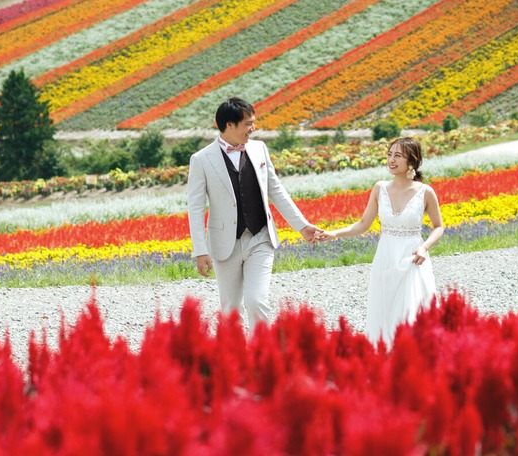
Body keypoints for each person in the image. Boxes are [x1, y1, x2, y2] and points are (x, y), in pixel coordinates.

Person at [187, 97, 321, 327]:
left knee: (256, 300)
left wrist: (302, 226)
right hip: (223, 243)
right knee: (230, 310)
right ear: (229, 125)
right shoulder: (201, 159)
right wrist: (200, 250)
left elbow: (276, 190)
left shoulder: (259, 149)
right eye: (248, 123)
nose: (253, 128)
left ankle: (262, 356)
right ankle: (237, 359)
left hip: (260, 238)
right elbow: (196, 207)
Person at [318, 137, 444, 344]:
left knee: (411, 314)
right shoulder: (380, 188)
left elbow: (438, 227)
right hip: (386, 257)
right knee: (385, 312)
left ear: (411, 161)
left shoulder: (425, 192)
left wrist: (424, 246)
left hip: (413, 257)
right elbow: (363, 223)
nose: (391, 160)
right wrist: (334, 234)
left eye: (398, 156)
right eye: (389, 154)